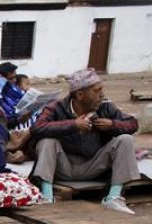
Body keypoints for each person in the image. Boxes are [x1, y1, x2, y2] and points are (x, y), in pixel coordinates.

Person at [30, 68, 140, 214]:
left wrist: (112, 125)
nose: (101, 94)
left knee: (126, 140)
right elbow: (37, 128)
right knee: (47, 140)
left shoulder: (105, 107)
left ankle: (113, 197)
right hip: (62, 167)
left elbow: (132, 124)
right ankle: (47, 196)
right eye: (96, 91)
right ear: (80, 95)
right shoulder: (57, 107)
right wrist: (73, 125)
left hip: (93, 165)